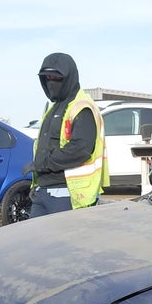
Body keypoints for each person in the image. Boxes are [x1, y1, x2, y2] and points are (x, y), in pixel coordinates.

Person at [25, 52, 109, 217]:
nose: (51, 83)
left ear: (69, 78)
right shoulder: (53, 108)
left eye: (56, 78)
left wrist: (42, 164)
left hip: (68, 194)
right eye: (47, 78)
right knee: (36, 241)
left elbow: (80, 149)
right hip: (44, 191)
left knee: (61, 242)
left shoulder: (82, 107)